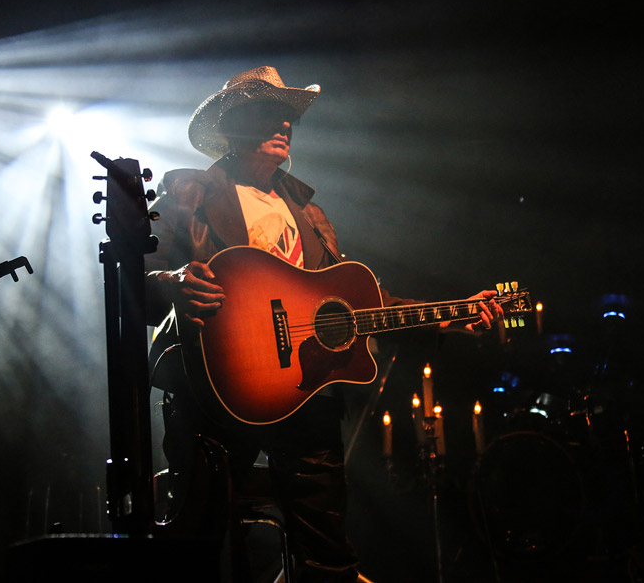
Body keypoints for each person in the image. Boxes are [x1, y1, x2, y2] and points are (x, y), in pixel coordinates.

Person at [145, 66, 502, 582]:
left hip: (305, 395)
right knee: (197, 543)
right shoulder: (188, 192)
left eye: (288, 115)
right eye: (269, 111)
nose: (284, 124)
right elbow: (131, 278)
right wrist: (171, 281)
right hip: (213, 394)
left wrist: (452, 316)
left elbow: (358, 304)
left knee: (328, 551)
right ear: (233, 123)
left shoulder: (312, 215)